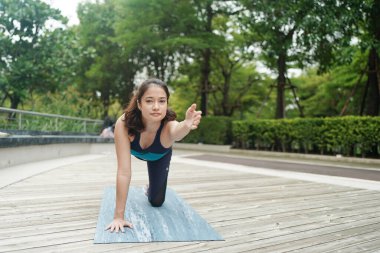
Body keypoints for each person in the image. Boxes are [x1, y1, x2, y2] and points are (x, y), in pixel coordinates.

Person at [105, 78, 202, 233]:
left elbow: (177, 132)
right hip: (138, 151)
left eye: (162, 101)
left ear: (167, 104)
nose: (156, 107)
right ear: (139, 104)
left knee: (157, 202)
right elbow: (124, 171)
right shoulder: (124, 124)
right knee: (125, 174)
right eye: (149, 101)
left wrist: (186, 125)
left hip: (159, 157)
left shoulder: (168, 126)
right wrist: (118, 216)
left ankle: (150, 188)